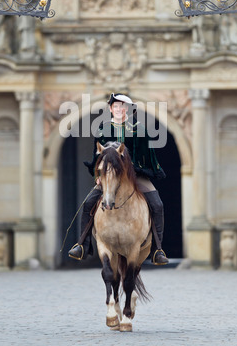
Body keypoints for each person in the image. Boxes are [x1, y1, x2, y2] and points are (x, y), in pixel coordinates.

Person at [68, 93, 169, 265]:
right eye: (116, 106)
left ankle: (157, 249)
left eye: (123, 107)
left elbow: (146, 155)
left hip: (136, 176)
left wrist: (139, 170)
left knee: (157, 204)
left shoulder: (139, 129)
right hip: (109, 176)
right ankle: (82, 244)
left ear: (128, 109)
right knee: (88, 203)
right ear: (110, 109)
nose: (119, 110)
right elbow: (97, 155)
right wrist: (98, 176)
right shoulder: (103, 128)